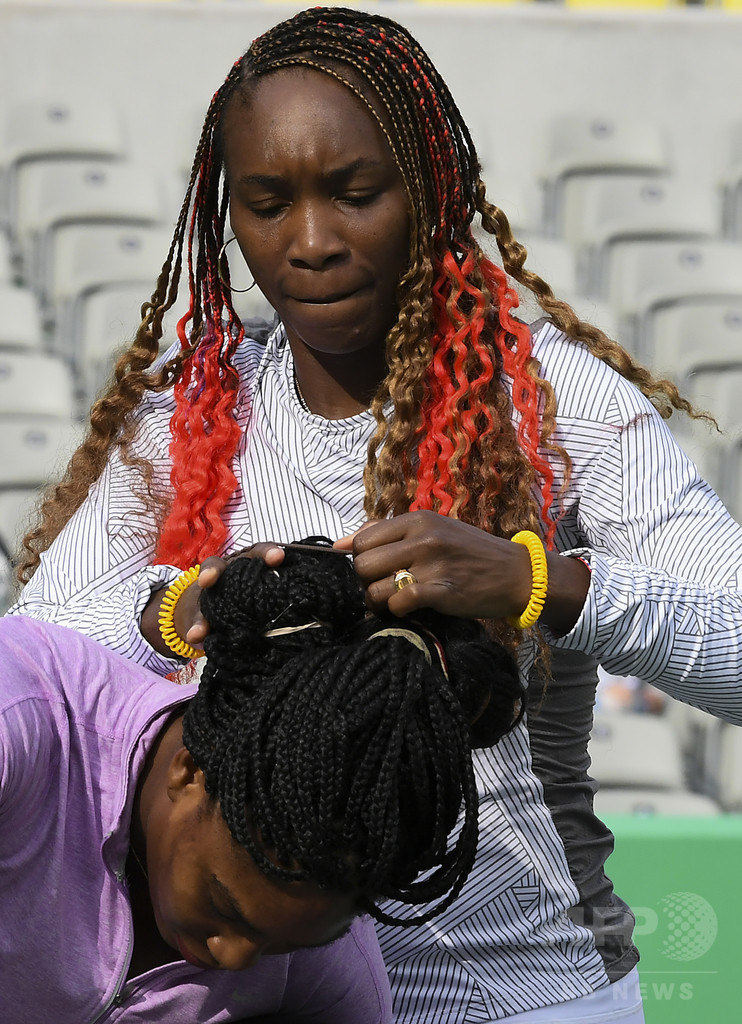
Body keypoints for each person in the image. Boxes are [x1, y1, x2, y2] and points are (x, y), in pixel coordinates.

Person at [8, 5, 742, 1021]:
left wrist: (541, 583)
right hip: (257, 994)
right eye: (266, 203)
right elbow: (31, 668)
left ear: (432, 190)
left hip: (530, 995)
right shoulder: (181, 424)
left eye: (354, 194)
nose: (308, 243)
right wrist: (181, 611)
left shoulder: (559, 407)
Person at [0, 542, 522, 1024]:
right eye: (225, 906)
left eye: (281, 945)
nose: (235, 958)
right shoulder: (23, 714)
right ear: (190, 773)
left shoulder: (324, 951)